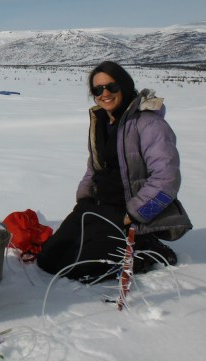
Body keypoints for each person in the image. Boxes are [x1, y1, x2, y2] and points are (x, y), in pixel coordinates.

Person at [36, 61, 192, 283]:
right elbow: (95, 166)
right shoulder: (101, 121)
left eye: (112, 87)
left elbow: (167, 178)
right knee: (48, 259)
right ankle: (123, 242)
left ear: (125, 86)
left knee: (79, 268)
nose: (105, 93)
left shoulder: (148, 124)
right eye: (98, 89)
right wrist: (84, 198)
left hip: (127, 211)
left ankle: (146, 248)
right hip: (98, 204)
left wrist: (134, 214)